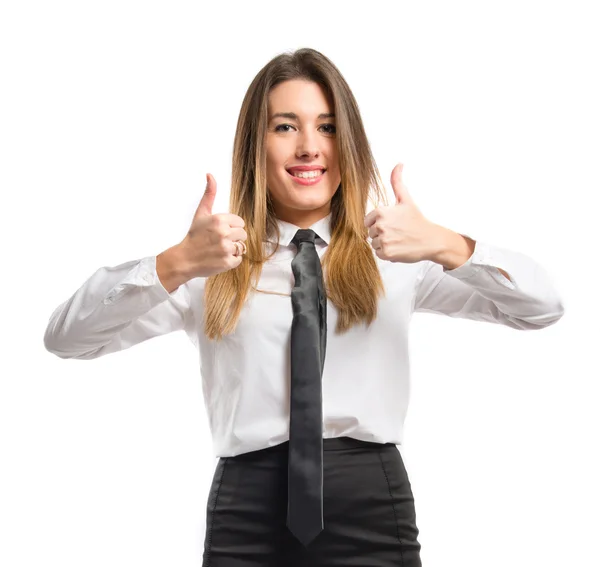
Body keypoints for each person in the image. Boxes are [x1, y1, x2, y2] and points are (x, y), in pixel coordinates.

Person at [43, 48, 565, 566]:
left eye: (329, 128)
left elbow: (541, 307)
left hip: (372, 509)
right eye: (286, 127)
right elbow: (67, 339)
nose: (310, 148)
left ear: (350, 144)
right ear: (256, 144)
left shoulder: (398, 254)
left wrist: (447, 245)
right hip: (245, 514)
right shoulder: (211, 263)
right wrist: (173, 263)